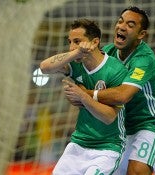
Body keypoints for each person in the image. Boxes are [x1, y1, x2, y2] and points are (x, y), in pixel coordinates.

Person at [63, 6, 155, 175]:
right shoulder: (107, 53)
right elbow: (83, 76)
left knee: (136, 171)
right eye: (120, 21)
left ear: (141, 34)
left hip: (149, 124)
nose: (122, 26)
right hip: (121, 128)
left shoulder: (144, 59)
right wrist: (75, 90)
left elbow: (122, 95)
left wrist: (85, 94)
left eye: (130, 25)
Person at [39, 18, 128, 175]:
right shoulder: (76, 64)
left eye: (77, 41)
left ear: (94, 42)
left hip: (107, 149)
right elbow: (44, 68)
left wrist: (83, 96)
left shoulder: (115, 70)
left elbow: (109, 117)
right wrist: (77, 51)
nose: (72, 47)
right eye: (70, 41)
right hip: (78, 145)